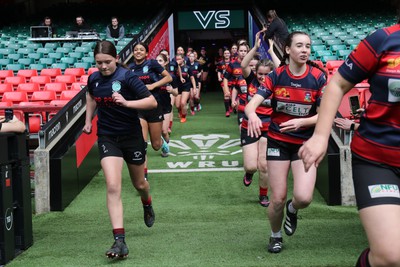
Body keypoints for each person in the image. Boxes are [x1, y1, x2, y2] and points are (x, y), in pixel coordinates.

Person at [298, 11, 400, 266]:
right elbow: (338, 84)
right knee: (390, 255)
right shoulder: (383, 40)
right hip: (378, 160)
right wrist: (321, 137)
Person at [245, 31, 327, 253]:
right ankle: (275, 235)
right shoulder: (276, 75)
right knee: (278, 198)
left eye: (308, 46)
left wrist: (303, 122)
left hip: (305, 144)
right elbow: (251, 104)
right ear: (288, 50)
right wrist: (251, 114)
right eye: (299, 46)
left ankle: (293, 209)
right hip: (278, 142)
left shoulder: (318, 77)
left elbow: (324, 114)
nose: (304, 50)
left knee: (303, 198)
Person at [83, 40, 157, 259]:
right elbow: (90, 95)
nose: (103, 67)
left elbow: (151, 102)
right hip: (107, 137)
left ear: (116, 58)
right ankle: (119, 241)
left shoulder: (127, 78)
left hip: (132, 137)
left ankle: (147, 202)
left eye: (107, 62)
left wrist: (127, 103)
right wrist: (88, 120)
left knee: (140, 184)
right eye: (99, 63)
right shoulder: (94, 79)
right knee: (113, 185)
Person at [241, 30, 275, 207]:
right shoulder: (252, 81)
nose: (262, 77)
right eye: (260, 74)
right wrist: (254, 48)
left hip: (268, 128)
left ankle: (263, 194)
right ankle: (248, 174)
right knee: (251, 166)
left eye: (266, 74)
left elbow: (280, 66)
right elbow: (244, 64)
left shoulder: (275, 83)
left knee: (264, 165)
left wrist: (270, 51)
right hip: (249, 127)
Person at [128, 42, 172, 164]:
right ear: (133, 53)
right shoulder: (129, 68)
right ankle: (144, 176)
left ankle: (162, 143)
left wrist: (153, 85)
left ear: (146, 53)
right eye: (136, 50)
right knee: (142, 144)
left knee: (156, 145)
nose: (138, 52)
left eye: (141, 50)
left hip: (154, 106)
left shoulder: (152, 64)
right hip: (138, 107)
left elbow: (168, 78)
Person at [156, 52, 178, 157]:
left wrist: (171, 91)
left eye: (160, 61)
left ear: (165, 63)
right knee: (156, 132)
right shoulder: (152, 76)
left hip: (166, 107)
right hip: (154, 107)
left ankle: (166, 146)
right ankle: (163, 144)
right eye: (156, 61)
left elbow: (176, 93)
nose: (158, 63)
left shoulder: (171, 76)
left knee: (164, 131)